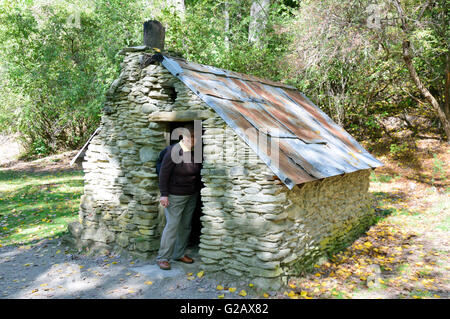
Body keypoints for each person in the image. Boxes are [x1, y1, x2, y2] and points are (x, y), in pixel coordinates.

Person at [156, 123, 201, 270]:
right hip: (175, 195)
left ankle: (179, 254)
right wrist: (164, 195)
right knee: (172, 226)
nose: (193, 140)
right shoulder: (173, 151)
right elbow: (163, 174)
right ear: (182, 136)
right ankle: (163, 257)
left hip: (191, 194)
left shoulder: (195, 152)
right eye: (190, 137)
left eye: (195, 137)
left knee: (185, 226)